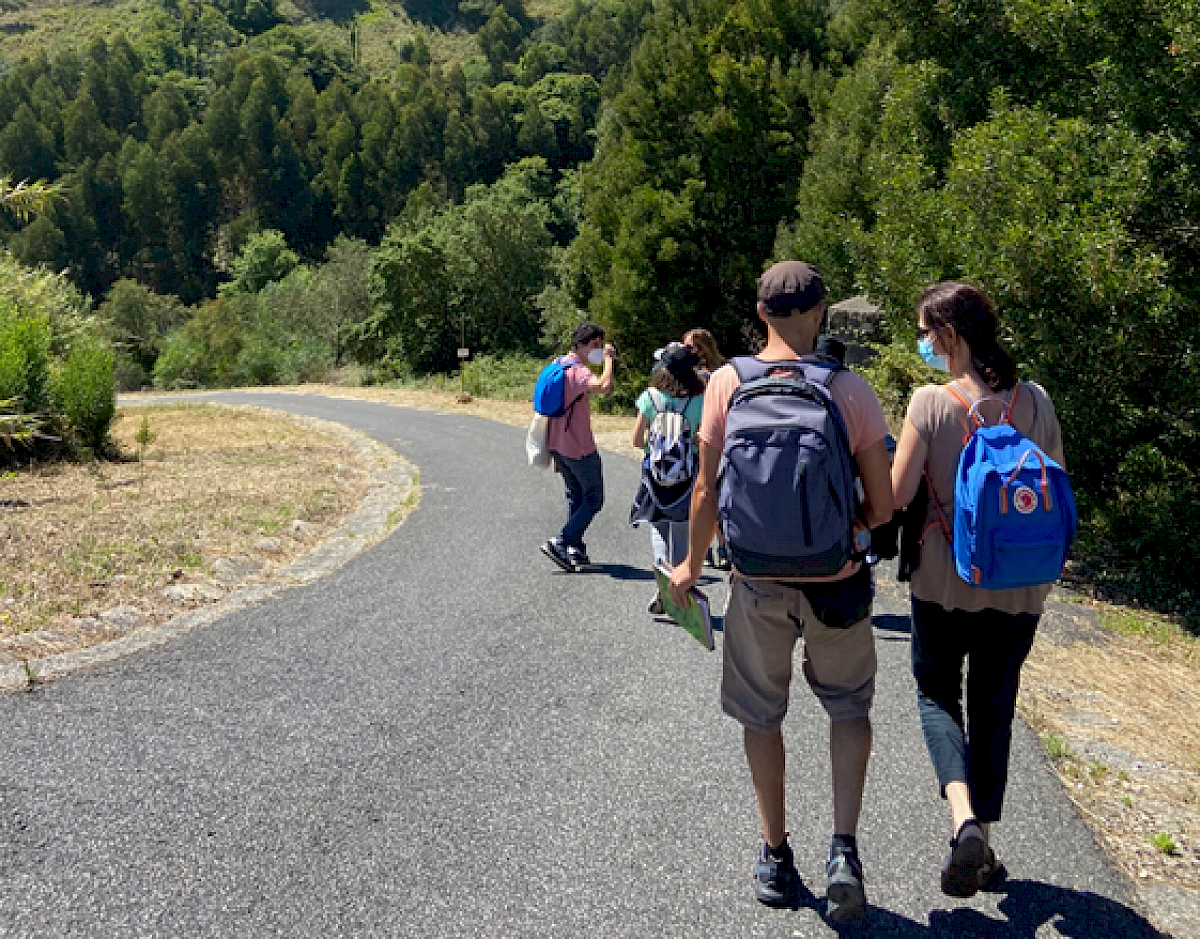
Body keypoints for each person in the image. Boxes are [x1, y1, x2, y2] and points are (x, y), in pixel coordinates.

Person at [670, 261, 893, 919]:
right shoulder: (850, 389)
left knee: (761, 715)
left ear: (761, 313)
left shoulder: (726, 385)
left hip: (756, 581)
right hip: (838, 580)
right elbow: (880, 507)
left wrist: (688, 564)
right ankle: (844, 849)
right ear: (821, 312)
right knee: (848, 707)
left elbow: (707, 490)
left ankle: (775, 854)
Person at [890, 282, 1068, 898]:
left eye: (924, 330)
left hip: (943, 584)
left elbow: (895, 495)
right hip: (1021, 591)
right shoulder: (1035, 401)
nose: (921, 342)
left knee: (938, 695)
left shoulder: (930, 404)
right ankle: (984, 848)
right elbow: (1055, 489)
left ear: (949, 334)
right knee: (995, 705)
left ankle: (962, 819)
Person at [629, 342, 706, 613]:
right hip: (687, 478)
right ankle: (679, 593)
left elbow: (637, 441)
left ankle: (662, 587)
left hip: (654, 477)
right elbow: (702, 441)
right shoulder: (700, 400)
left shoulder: (650, 398)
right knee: (682, 534)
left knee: (658, 530)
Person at [540, 322, 616, 572]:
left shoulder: (558, 363)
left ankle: (574, 547)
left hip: (557, 444)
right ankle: (560, 540)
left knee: (576, 496)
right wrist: (608, 360)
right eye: (594, 345)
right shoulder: (579, 372)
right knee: (594, 499)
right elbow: (604, 387)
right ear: (581, 346)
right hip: (579, 446)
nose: (597, 350)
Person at [681, 328, 732, 570]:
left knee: (716, 492)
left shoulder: (720, 372)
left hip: (716, 436)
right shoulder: (687, 372)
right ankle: (705, 550)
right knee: (701, 495)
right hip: (695, 439)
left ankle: (722, 546)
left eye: (693, 346)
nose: (690, 351)